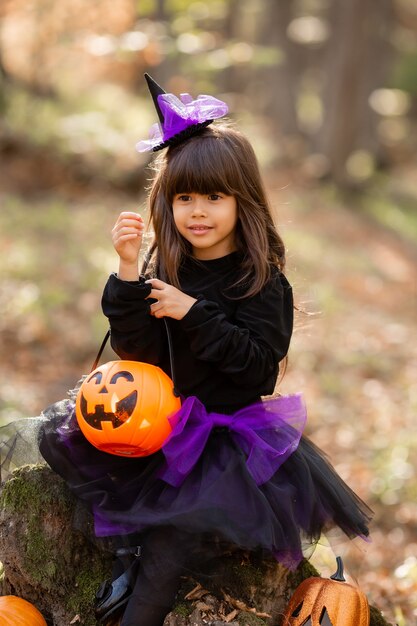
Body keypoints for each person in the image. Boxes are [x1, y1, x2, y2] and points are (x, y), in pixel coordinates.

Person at [39, 75, 372, 626]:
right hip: (154, 419)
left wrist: (193, 313)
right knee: (60, 442)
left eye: (214, 197)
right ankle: (127, 552)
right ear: (164, 203)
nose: (198, 211)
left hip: (221, 436)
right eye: (184, 198)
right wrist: (127, 269)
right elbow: (136, 353)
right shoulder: (165, 267)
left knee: (174, 536)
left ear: (243, 202)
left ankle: (137, 612)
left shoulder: (261, 281)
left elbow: (257, 369)